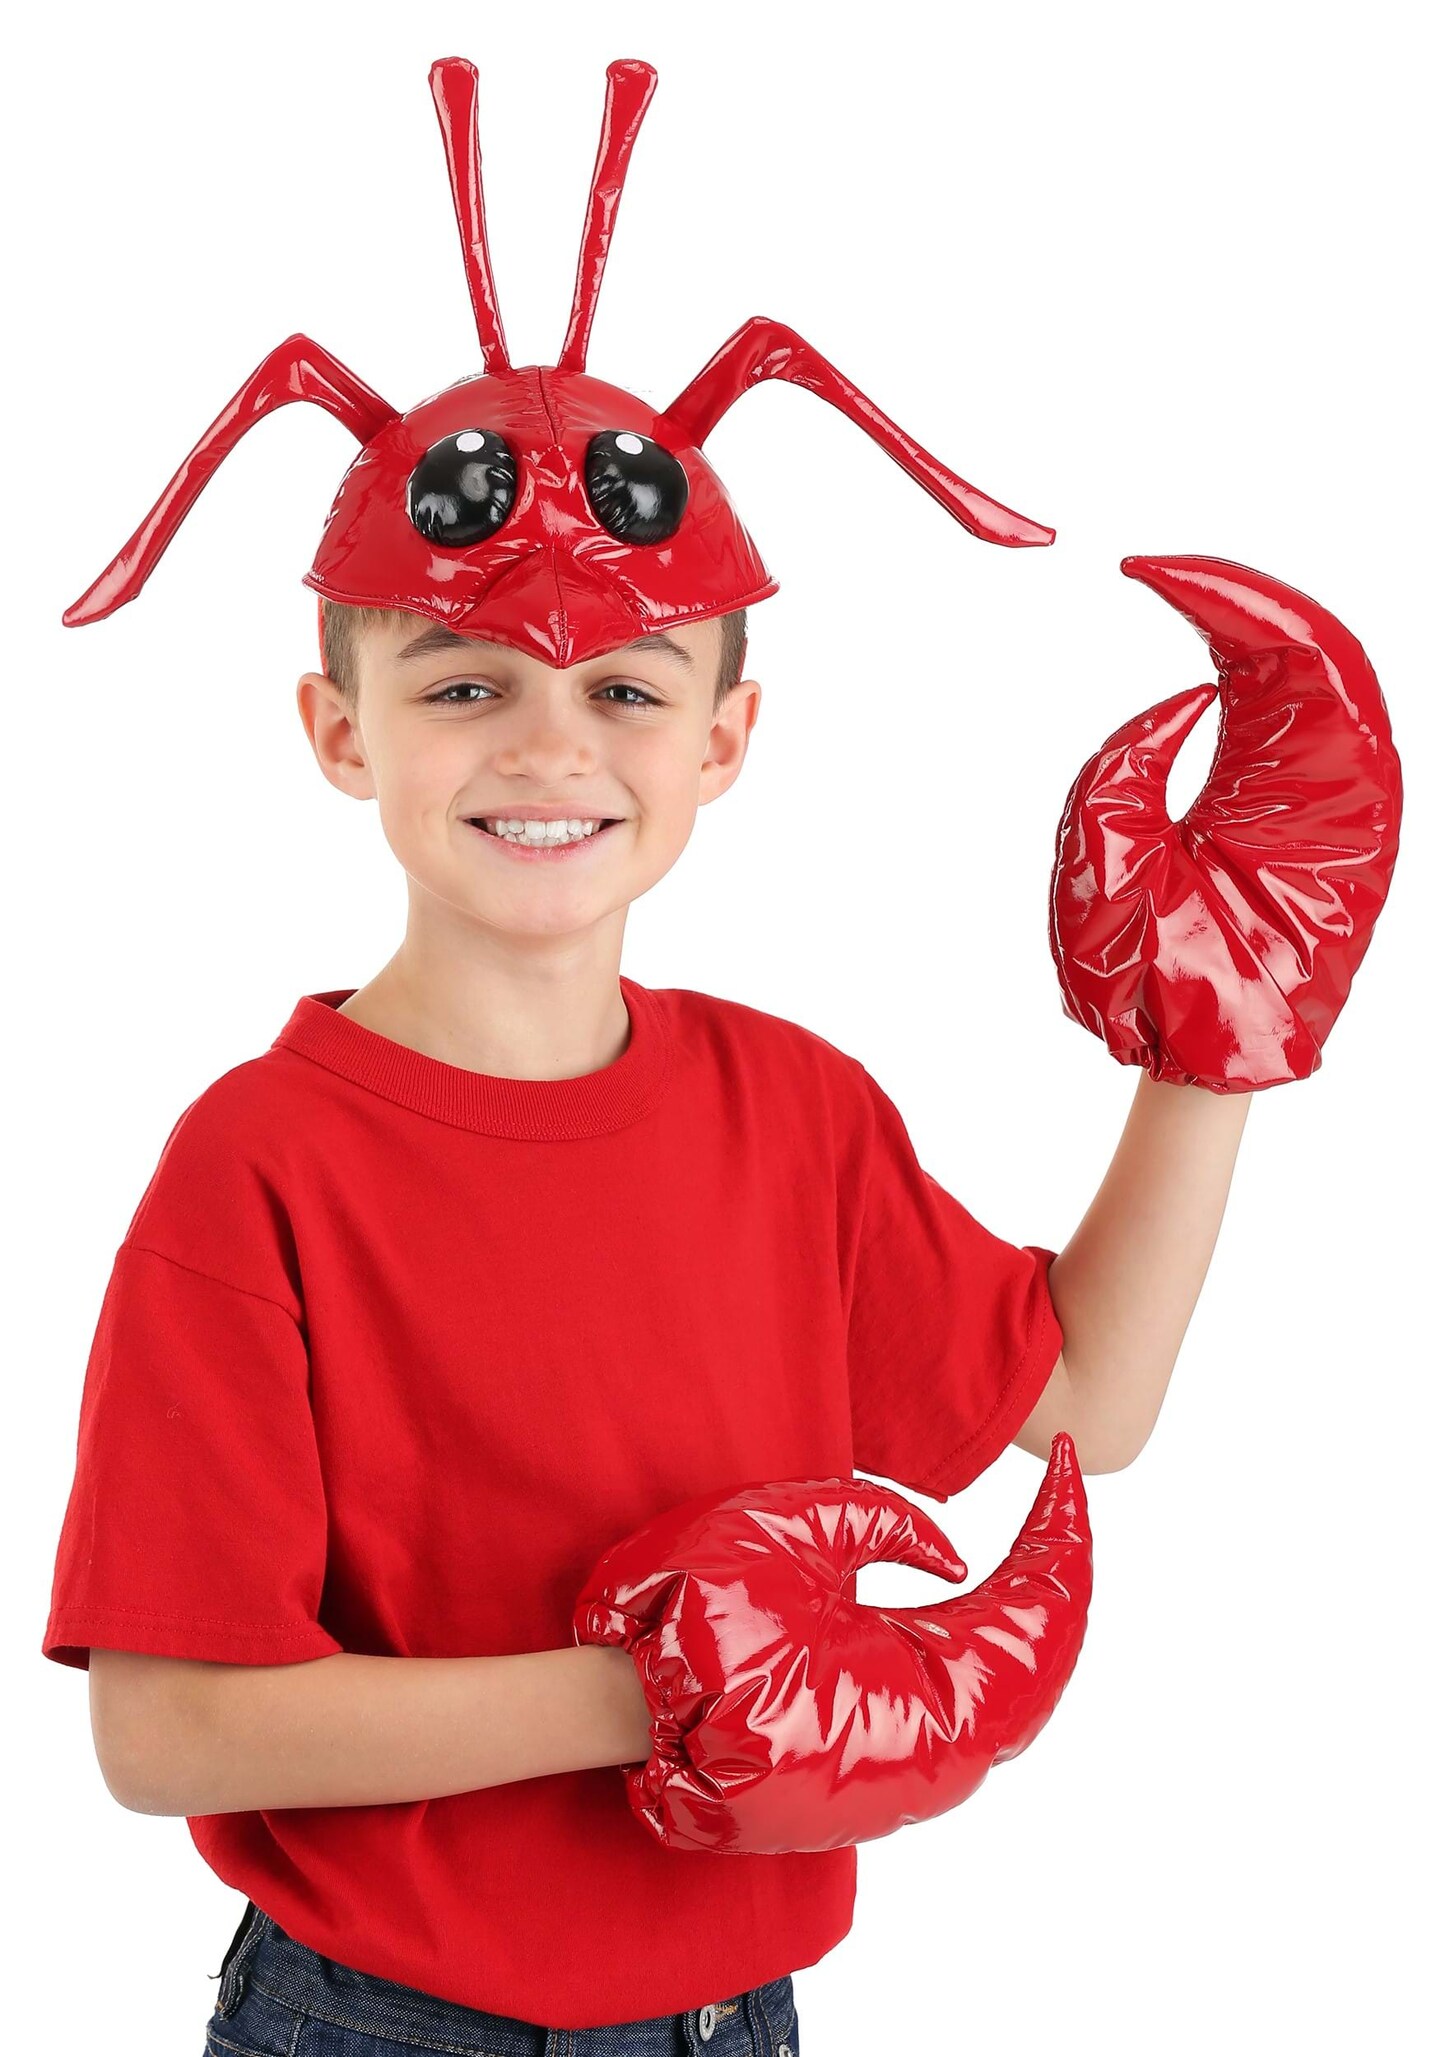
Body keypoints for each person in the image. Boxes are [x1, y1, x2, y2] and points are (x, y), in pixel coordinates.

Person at [40, 44, 1398, 2057]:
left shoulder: (795, 1114)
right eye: (464, 683)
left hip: (737, 2020)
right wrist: (651, 1692)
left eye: (629, 687)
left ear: (726, 741)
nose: (550, 745)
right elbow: (166, 1732)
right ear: (339, 734)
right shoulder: (258, 1167)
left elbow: (1081, 1408)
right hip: (379, 2026)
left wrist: (1217, 1047)